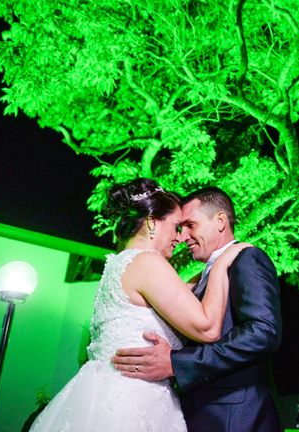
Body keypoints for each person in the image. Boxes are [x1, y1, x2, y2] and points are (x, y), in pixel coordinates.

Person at [30, 178, 250, 432]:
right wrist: (221, 264)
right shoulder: (149, 263)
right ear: (152, 222)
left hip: (98, 395)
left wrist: (205, 273)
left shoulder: (119, 264)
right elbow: (208, 329)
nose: (180, 238)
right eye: (177, 227)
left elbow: (175, 299)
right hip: (135, 402)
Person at [112, 187, 283, 432]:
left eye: (191, 225)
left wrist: (177, 363)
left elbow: (263, 332)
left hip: (235, 416)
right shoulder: (202, 278)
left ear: (221, 221)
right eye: (180, 228)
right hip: (201, 412)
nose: (182, 237)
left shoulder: (247, 259)